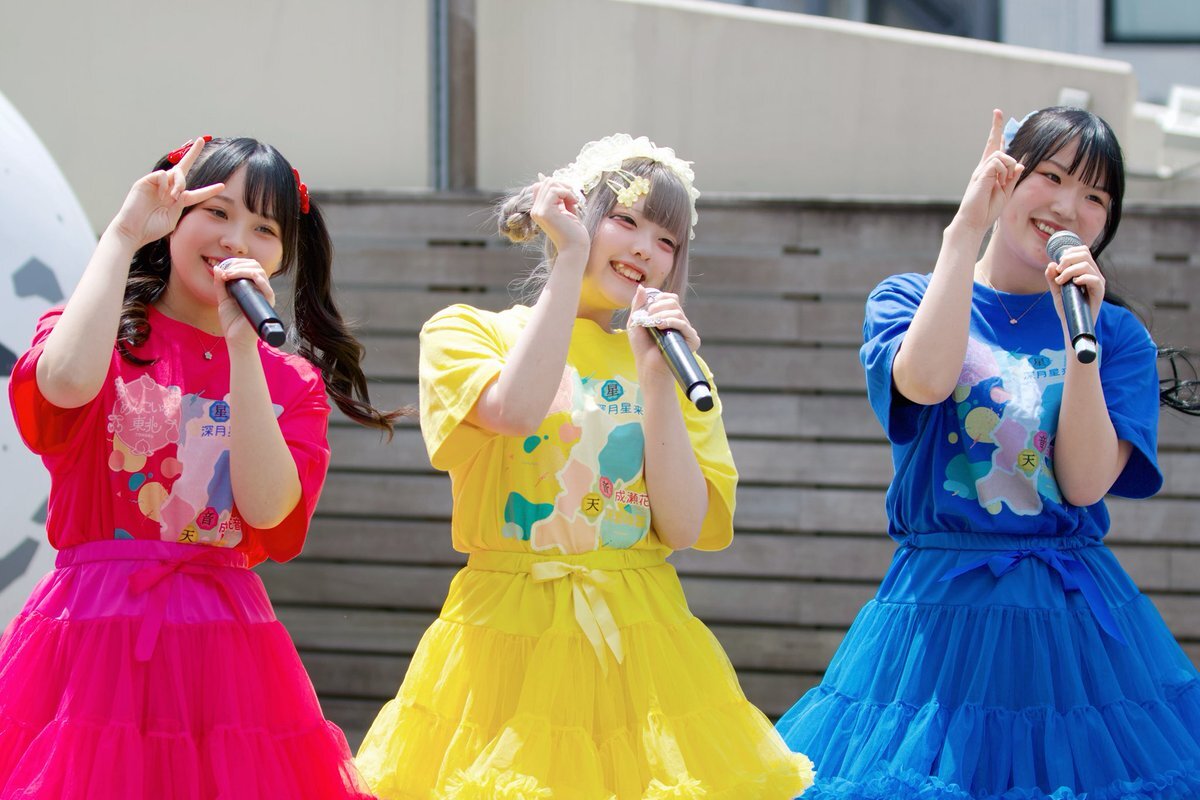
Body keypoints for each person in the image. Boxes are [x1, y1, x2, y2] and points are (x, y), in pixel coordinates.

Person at [355, 134, 814, 799]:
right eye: (625, 220)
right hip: (507, 631)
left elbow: (683, 526)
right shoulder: (469, 332)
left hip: (640, 637)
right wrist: (569, 258)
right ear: (576, 214)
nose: (644, 249)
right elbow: (514, 410)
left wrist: (656, 382)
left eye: (667, 240)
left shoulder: (673, 364)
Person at [775, 107, 1200, 799]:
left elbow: (1085, 483)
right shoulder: (908, 297)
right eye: (1051, 177)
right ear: (1007, 177)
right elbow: (924, 381)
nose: (1068, 206)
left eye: (1094, 195)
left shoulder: (1116, 334)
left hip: (1072, 627)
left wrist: (1081, 338)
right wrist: (964, 230)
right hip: (937, 612)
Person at [0, 135, 399, 799]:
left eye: (265, 228)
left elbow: (267, 511)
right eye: (217, 212)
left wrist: (243, 349)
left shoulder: (288, 382)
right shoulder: (101, 330)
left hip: (224, 654)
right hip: (91, 637)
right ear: (174, 218)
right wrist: (124, 232)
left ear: (283, 255)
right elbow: (63, 384)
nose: (236, 239)